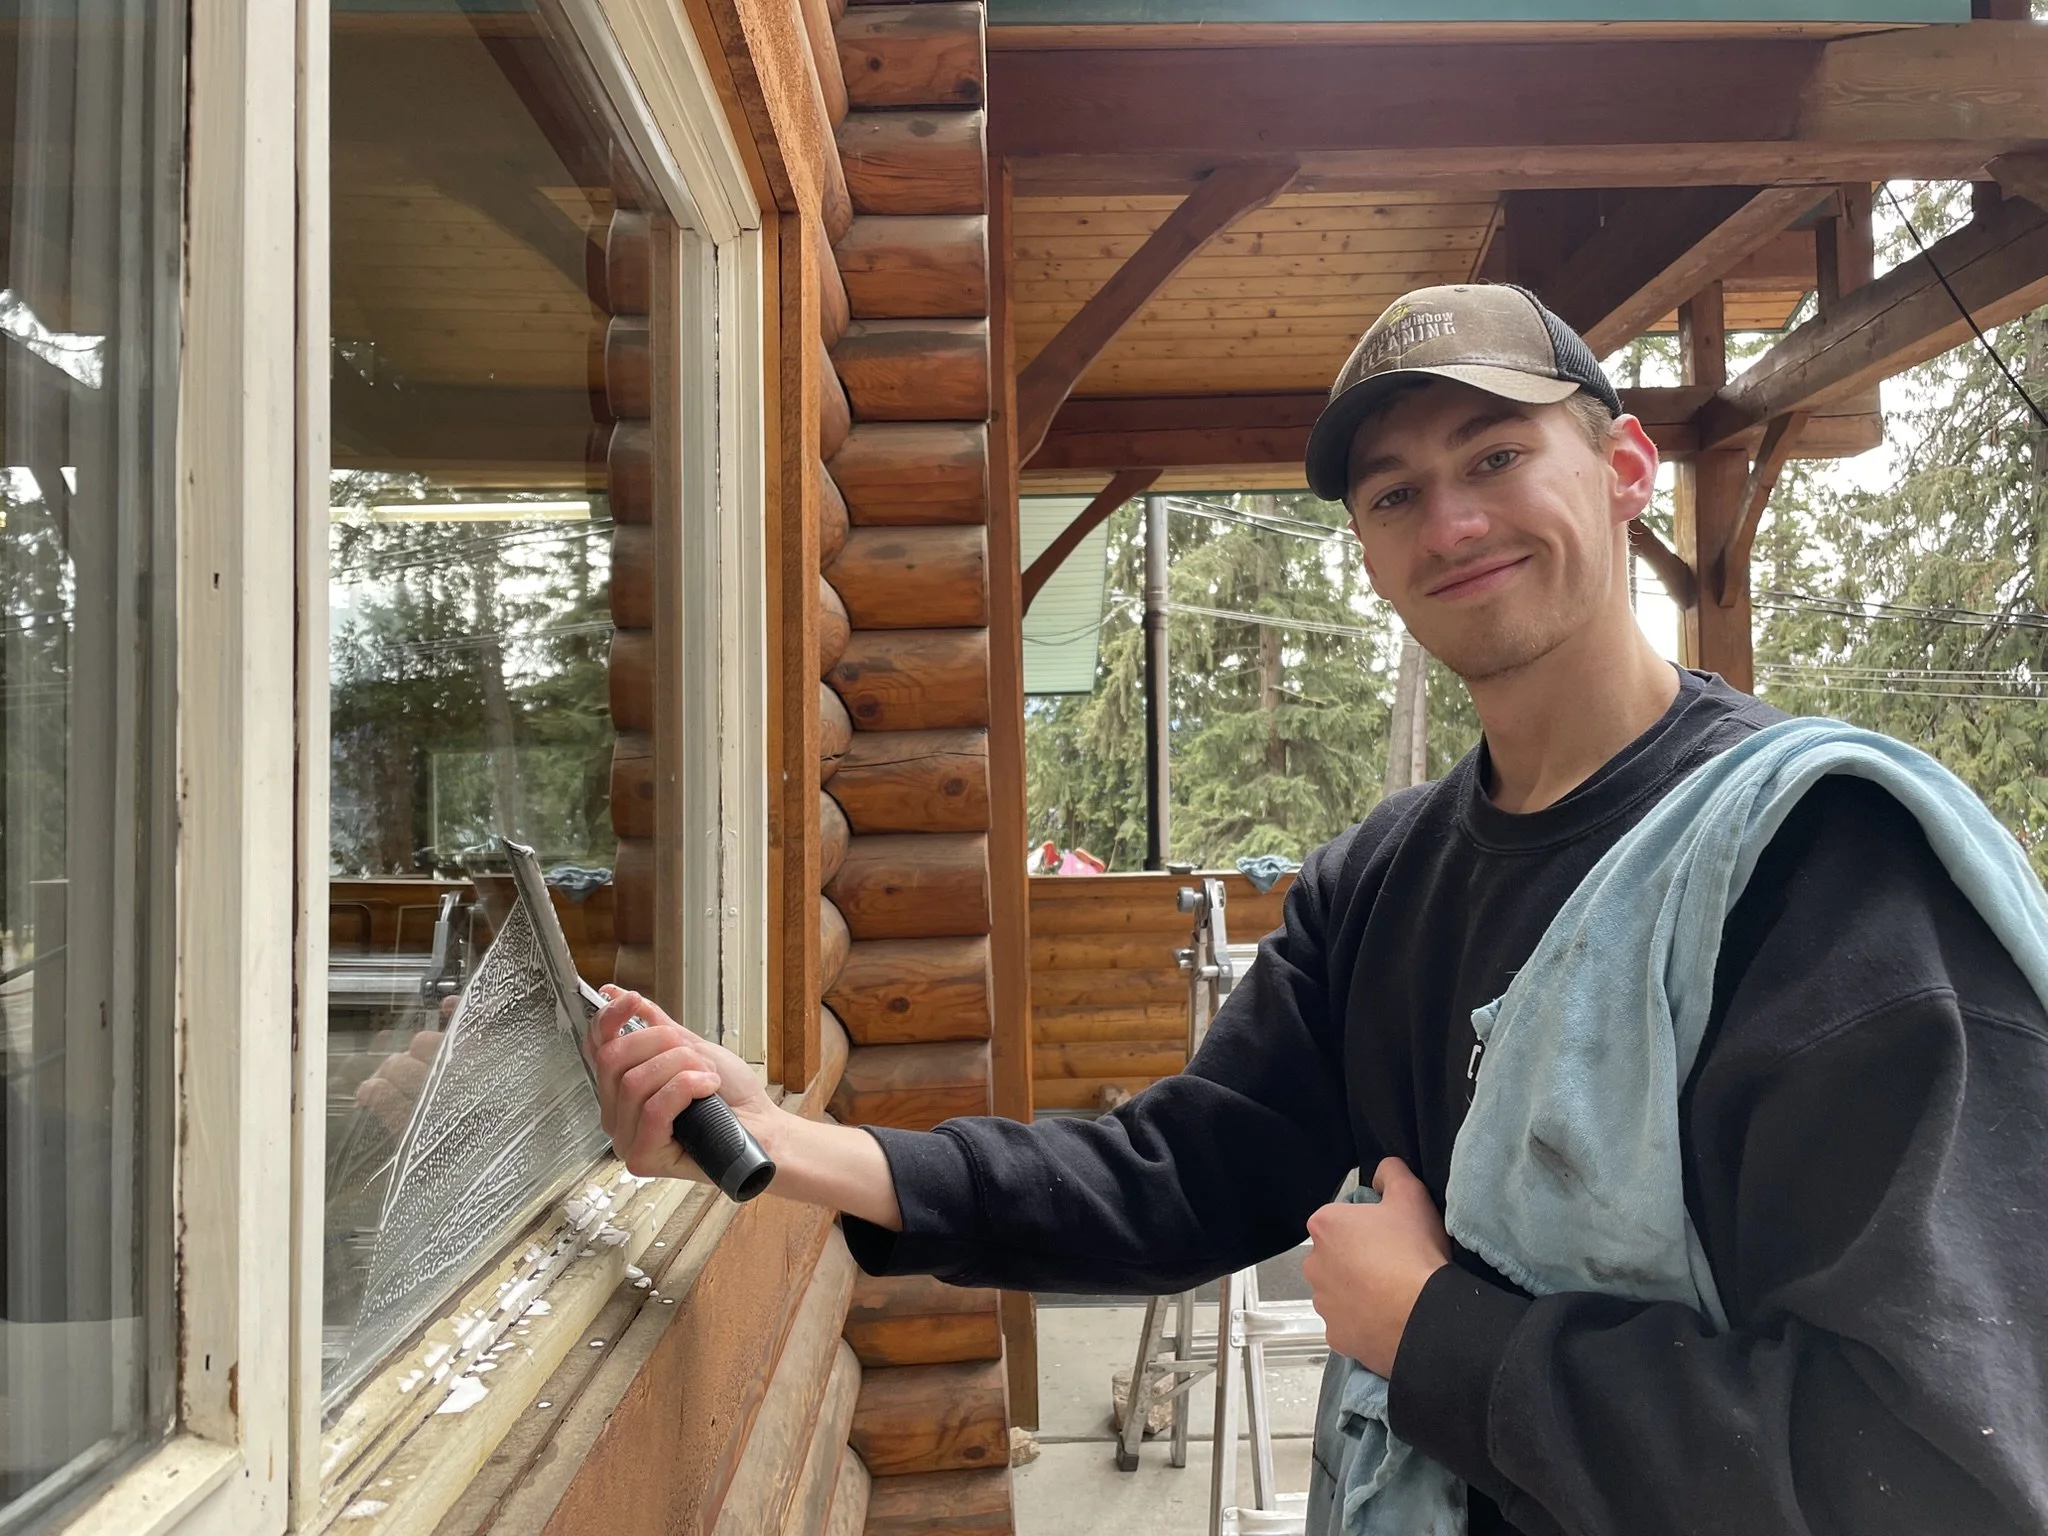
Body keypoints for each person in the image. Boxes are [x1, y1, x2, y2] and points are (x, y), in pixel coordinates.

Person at [588, 284, 2048, 1535]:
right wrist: (792, 1146)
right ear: (1367, 550)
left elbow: (1935, 1478)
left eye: (1496, 453)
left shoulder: (1824, 870)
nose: (1452, 519)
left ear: (1623, 467)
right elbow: (1182, 1174)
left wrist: (1438, 1342)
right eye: (1396, 492)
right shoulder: (1384, 881)